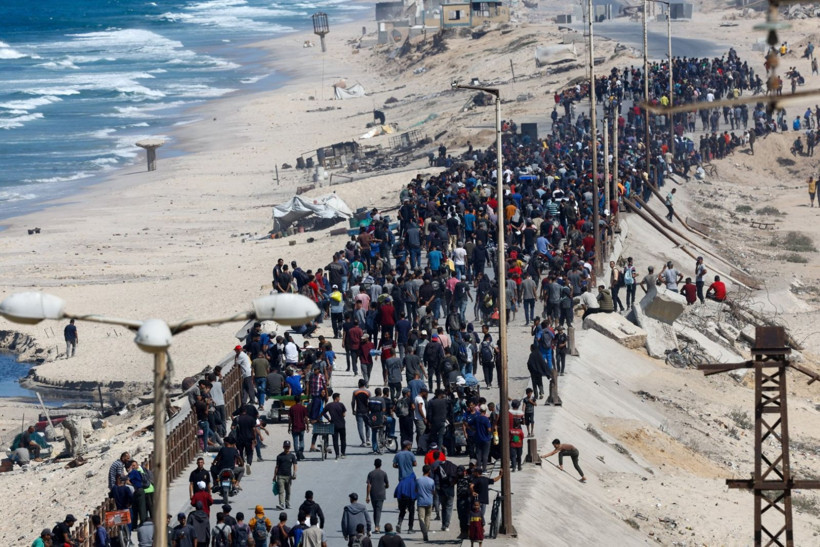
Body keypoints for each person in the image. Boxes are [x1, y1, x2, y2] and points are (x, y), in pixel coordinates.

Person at [366, 458, 390, 534]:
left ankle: (376, 525)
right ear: (381, 464)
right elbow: (387, 484)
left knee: (375, 510)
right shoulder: (384, 473)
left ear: (374, 464)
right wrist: (384, 486)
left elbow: (369, 485)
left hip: (373, 494)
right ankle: (377, 526)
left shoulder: (371, 473)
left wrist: (367, 496)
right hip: (381, 494)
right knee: (378, 510)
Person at [322, 391, 348, 459]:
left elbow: (323, 413)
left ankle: (337, 454)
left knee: (335, 440)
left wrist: (328, 419)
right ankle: (343, 453)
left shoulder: (329, 405)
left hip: (334, 424)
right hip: (342, 424)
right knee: (343, 440)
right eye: (339, 397)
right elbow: (344, 414)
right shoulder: (341, 405)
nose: (339, 399)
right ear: (336, 398)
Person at [274, 440, 298, 510]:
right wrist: (274, 476)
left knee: (288, 491)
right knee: (281, 491)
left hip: (288, 476)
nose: (287, 448)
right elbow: (277, 467)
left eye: (288, 447)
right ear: (283, 447)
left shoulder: (292, 456)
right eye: (285, 446)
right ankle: (281, 504)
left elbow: (295, 465)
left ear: (290, 447)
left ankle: (287, 502)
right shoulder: (279, 456)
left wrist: (295, 472)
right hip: (280, 476)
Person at [415, 465, 436, 541]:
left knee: (421, 518)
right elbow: (433, 491)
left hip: (420, 502)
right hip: (429, 501)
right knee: (428, 517)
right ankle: (426, 531)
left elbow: (416, 490)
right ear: (429, 471)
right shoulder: (431, 481)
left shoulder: (418, 480)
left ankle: (424, 532)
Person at [289, 393, 309, 460]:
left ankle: (297, 453)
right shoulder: (303, 408)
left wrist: (289, 427)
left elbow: (290, 419)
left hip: (294, 427)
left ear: (294, 400)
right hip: (302, 427)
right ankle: (301, 452)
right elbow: (306, 418)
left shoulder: (292, 408)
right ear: (300, 400)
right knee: (301, 440)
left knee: (295, 441)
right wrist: (308, 426)